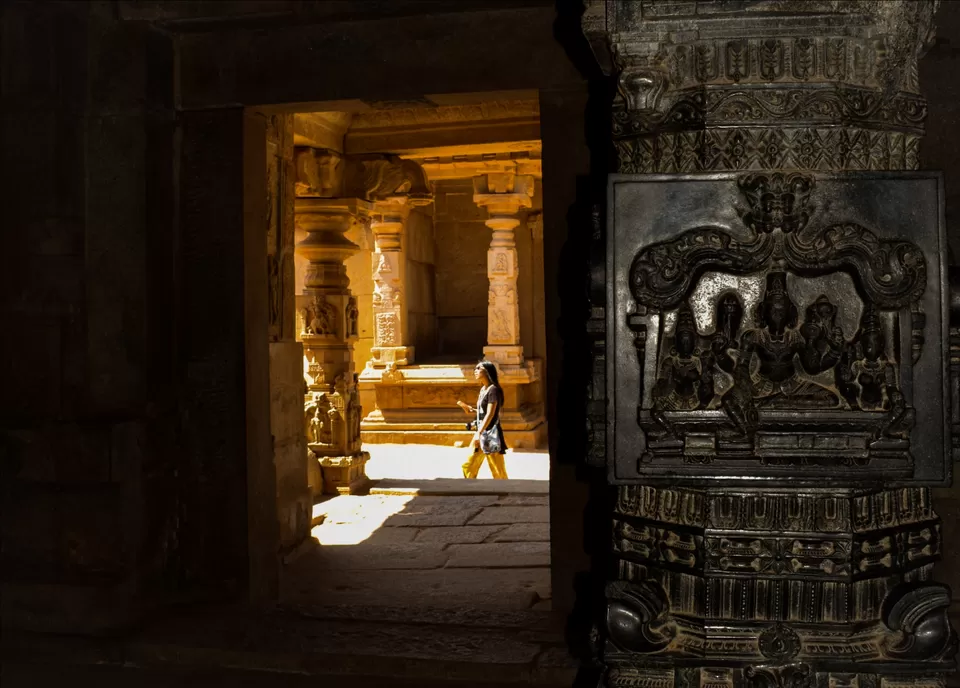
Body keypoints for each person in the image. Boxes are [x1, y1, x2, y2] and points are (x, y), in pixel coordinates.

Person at [456, 360, 508, 479]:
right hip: (481, 434)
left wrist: (478, 433)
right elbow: (484, 412)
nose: (475, 371)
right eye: (475, 368)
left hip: (490, 435)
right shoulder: (483, 389)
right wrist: (472, 410)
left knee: (497, 470)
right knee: (468, 466)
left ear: (488, 372)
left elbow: (490, 414)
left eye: (479, 368)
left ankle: (505, 492)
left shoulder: (493, 390)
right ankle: (471, 490)